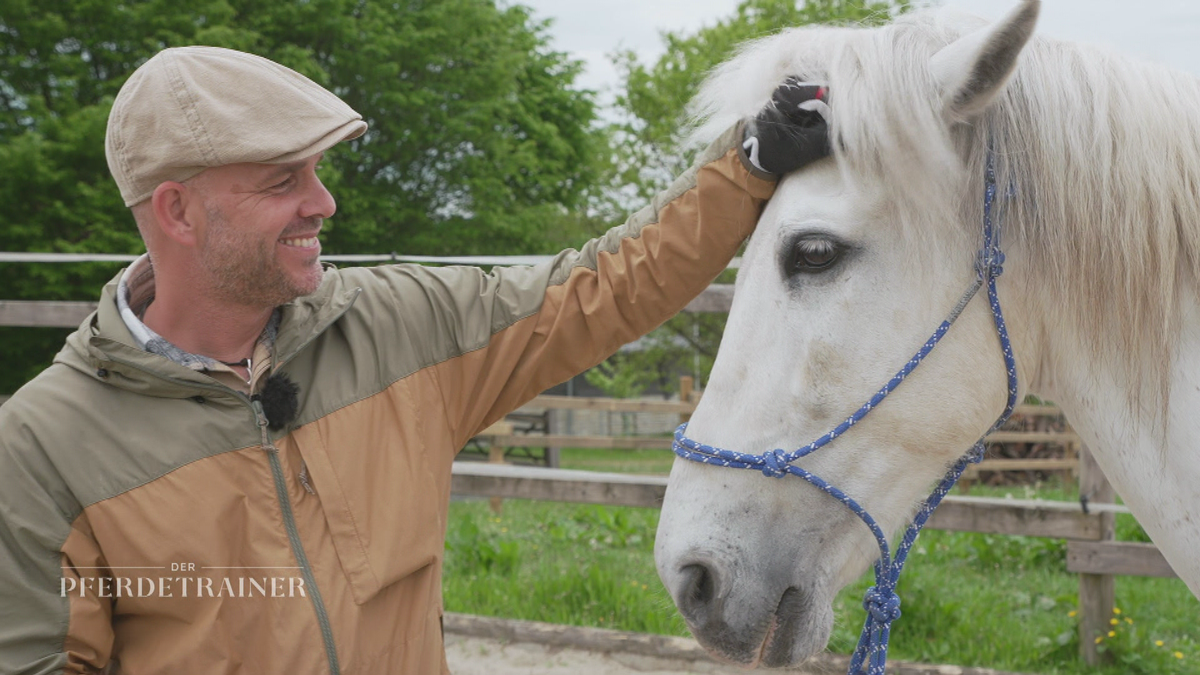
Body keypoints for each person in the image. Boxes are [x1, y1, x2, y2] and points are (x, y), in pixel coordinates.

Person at [0, 47, 829, 674]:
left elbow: (602, 288)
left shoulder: (403, 325)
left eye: (318, 172)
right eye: (284, 178)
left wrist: (748, 166)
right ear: (178, 211)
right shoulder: (41, 446)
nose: (322, 202)